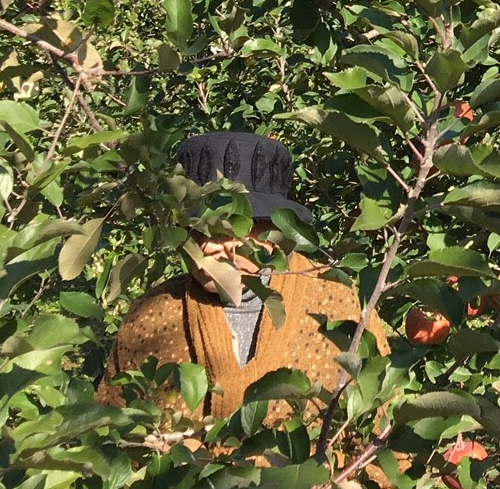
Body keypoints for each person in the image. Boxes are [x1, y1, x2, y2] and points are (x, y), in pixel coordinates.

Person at [99, 131, 378, 425]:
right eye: (195, 230)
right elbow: (113, 430)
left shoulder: (337, 302)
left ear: (275, 230)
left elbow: (379, 425)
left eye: (229, 230)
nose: (208, 246)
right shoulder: (151, 315)